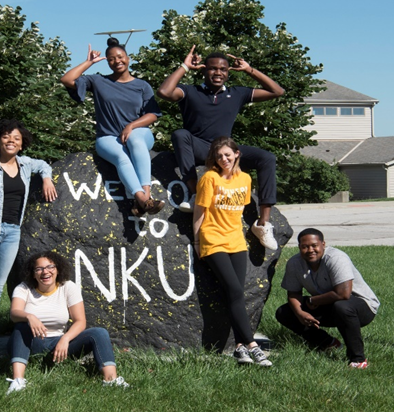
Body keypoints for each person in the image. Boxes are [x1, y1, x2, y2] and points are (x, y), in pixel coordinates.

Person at [157, 45, 285, 250]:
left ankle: (262, 224)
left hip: (225, 151)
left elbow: (277, 91)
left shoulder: (237, 93)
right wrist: (185, 66)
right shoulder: (190, 91)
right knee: (180, 134)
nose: (218, 72)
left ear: (228, 73)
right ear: (204, 70)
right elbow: (164, 91)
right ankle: (194, 194)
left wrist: (249, 70)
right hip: (199, 147)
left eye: (223, 69)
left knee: (267, 158)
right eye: (213, 68)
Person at [0, 119, 57, 373]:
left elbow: (43, 165)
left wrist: (47, 178)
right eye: (6, 137)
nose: (11, 141)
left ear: (21, 142)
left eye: (16, 138)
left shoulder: (26, 165)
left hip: (12, 233)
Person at [61, 38, 164, 217]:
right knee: (121, 157)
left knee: (135, 141)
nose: (117, 61)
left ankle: (145, 195)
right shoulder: (98, 81)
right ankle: (143, 200)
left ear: (128, 58)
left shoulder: (142, 86)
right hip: (108, 138)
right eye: (111, 59)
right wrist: (89, 62)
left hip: (139, 133)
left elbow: (153, 114)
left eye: (120, 57)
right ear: (107, 62)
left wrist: (131, 126)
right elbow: (67, 79)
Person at [193, 136, 272, 366]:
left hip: (236, 241)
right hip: (213, 240)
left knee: (234, 294)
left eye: (227, 154)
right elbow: (199, 212)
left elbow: (239, 212)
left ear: (237, 154)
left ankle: (239, 347)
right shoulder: (209, 178)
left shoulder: (246, 179)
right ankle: (252, 345)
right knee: (235, 291)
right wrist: (198, 243)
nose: (223, 159)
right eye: (219, 156)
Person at [6, 251, 129, 394]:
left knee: (99, 333)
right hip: (30, 343)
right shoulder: (24, 288)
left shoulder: (68, 287)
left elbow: (80, 321)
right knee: (21, 326)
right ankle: (18, 381)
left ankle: (111, 380)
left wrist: (65, 339)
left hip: (59, 345)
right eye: (39, 269)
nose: (45, 272)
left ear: (57, 269)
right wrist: (29, 317)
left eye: (50, 267)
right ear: (33, 274)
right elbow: (14, 314)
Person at [275, 228, 380, 369]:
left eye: (314, 245)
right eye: (304, 247)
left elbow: (344, 294)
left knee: (342, 306)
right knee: (285, 312)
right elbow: (293, 293)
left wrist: (312, 301)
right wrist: (300, 314)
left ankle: (358, 359)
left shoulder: (336, 258)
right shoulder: (295, 263)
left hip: (362, 307)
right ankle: (327, 343)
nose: (310, 250)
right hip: (329, 304)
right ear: (299, 247)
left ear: (323, 244)